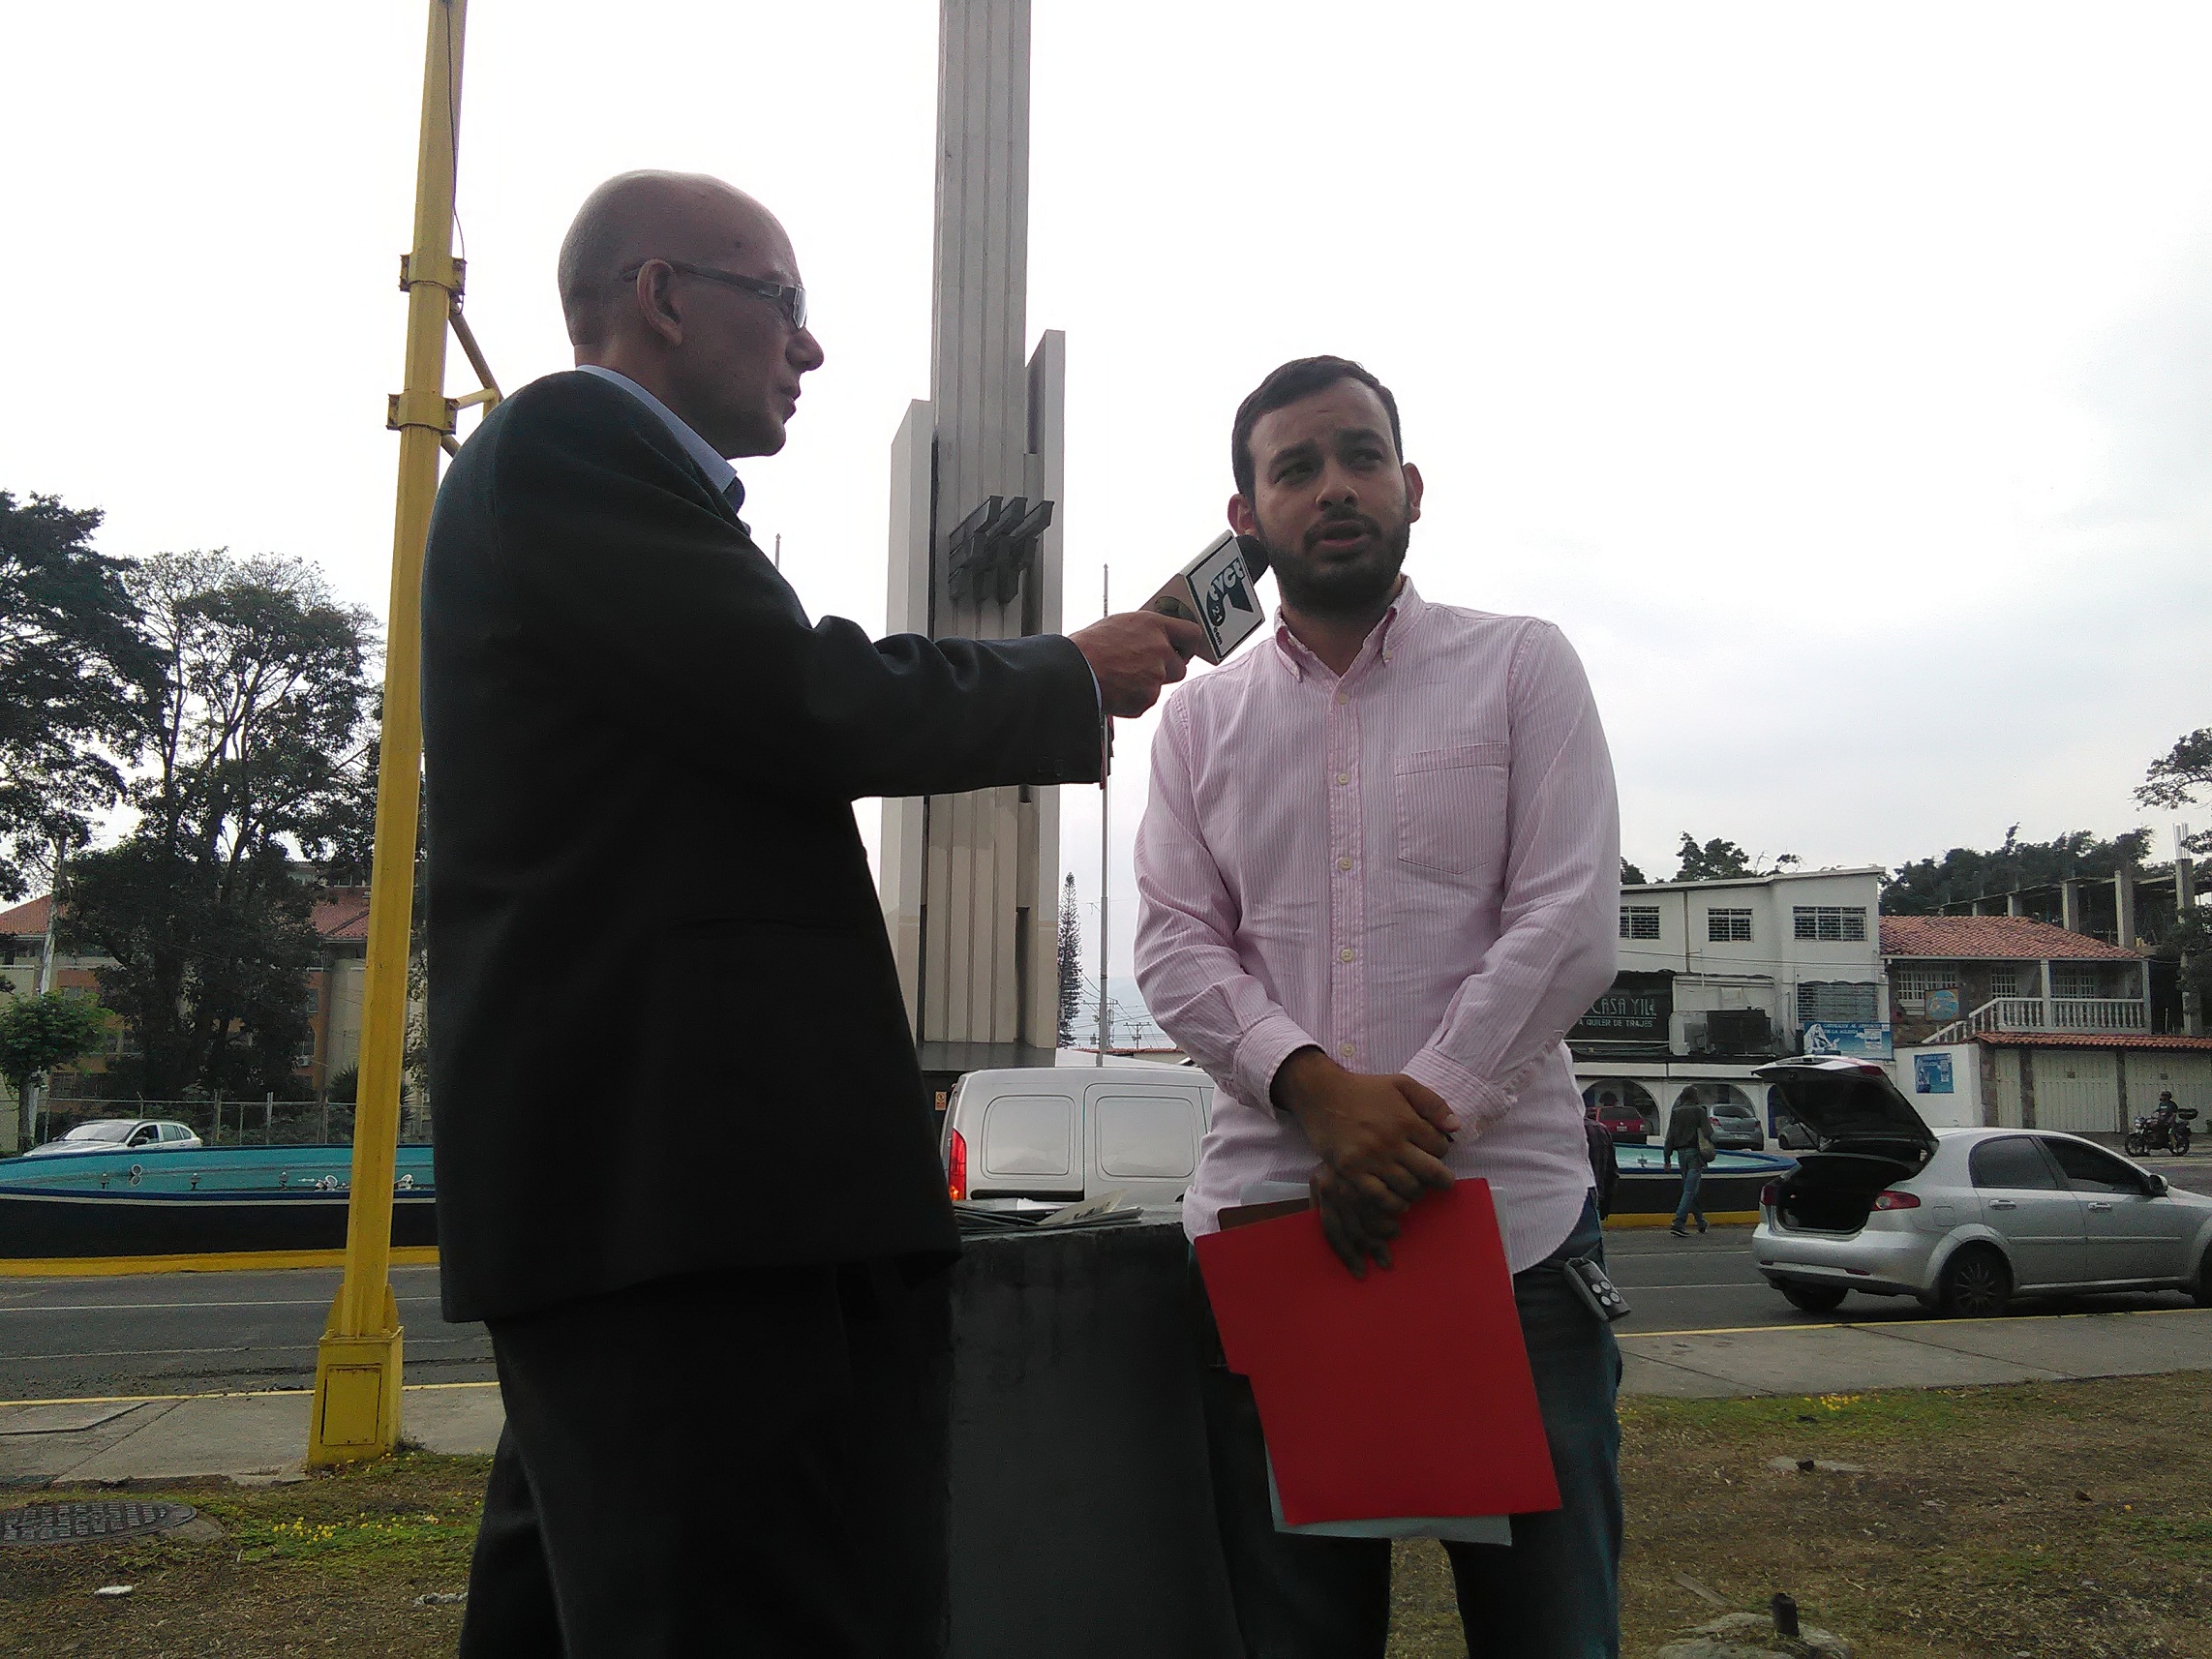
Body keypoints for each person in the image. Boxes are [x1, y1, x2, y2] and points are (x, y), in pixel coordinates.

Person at [422, 171, 1201, 1659]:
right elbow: (803, 697)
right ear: (661, 295)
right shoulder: (570, 441)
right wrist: (1059, 674)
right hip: (694, 1210)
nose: (812, 347)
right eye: (782, 300)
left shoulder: (597, 496)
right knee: (757, 1606)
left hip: (663, 1210)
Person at [1135, 355, 1623, 1658]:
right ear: (1244, 514)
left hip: (1508, 1237)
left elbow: (1569, 920)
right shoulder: (1197, 726)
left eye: (1360, 456)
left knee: (1552, 1634)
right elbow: (1176, 947)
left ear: (1411, 486)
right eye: (1294, 466)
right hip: (1274, 1239)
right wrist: (1317, 1092)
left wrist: (1408, 1120)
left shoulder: (1521, 666)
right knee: (1293, 1638)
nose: (1333, 486)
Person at [1665, 1094, 1712, 1237]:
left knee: (1690, 1188)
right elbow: (1708, 1132)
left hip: (1681, 1155)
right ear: (1694, 1097)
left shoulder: (1676, 1112)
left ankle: (1700, 1221)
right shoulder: (1699, 1111)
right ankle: (1679, 1222)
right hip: (1695, 1154)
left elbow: (1670, 1136)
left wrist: (1667, 1158)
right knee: (1690, 1190)